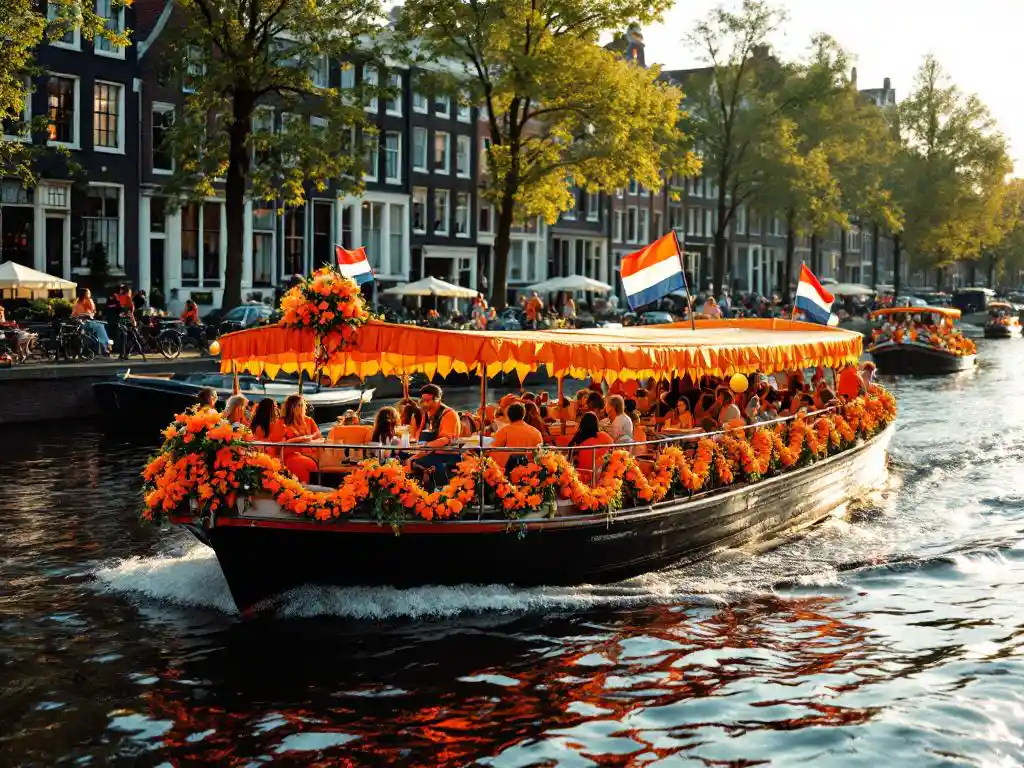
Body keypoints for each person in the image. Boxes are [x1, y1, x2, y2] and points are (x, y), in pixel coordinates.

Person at [410, 384, 462, 486]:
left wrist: (425, 446)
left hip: (447, 454)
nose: (425, 404)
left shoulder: (449, 414)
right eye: (423, 400)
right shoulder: (426, 414)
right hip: (430, 452)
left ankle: (440, 487)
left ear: (437, 399)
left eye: (428, 401)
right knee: (406, 459)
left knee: (417, 462)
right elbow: (418, 434)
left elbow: (445, 439)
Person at [270, 394, 323, 483]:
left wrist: (309, 441)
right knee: (306, 464)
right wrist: (297, 440)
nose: (301, 407)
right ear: (291, 407)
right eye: (298, 405)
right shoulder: (281, 422)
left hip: (312, 454)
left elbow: (320, 439)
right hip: (289, 455)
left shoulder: (309, 421)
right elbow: (276, 444)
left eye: (302, 405)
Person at [490, 402, 543, 471]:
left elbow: (493, 451)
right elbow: (540, 454)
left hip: (510, 470)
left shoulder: (504, 431)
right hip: (531, 470)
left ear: (508, 416)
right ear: (523, 415)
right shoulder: (536, 432)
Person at [72, 288, 112, 355]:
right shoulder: (79, 303)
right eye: (88, 293)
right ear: (85, 294)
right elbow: (73, 315)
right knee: (100, 327)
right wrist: (83, 315)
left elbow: (93, 311)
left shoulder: (85, 302)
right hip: (83, 323)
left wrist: (89, 314)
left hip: (87, 322)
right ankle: (106, 346)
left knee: (100, 327)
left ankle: (105, 346)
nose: (90, 294)